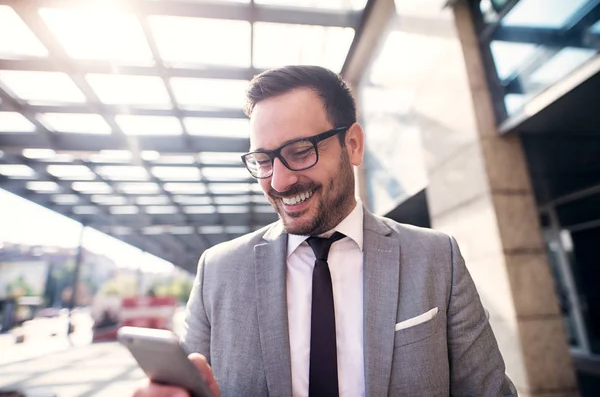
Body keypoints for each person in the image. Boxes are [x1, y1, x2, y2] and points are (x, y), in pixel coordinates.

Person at [133, 65, 517, 397]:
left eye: (300, 151)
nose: (279, 181)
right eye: (263, 160)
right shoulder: (217, 271)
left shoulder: (436, 258)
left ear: (352, 144)